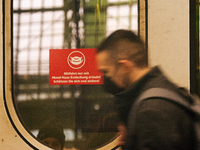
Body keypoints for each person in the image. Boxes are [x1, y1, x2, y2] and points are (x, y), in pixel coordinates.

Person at [96, 29, 196, 150]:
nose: (107, 79)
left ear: (124, 66)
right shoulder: (160, 90)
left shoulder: (152, 110)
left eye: (106, 72)